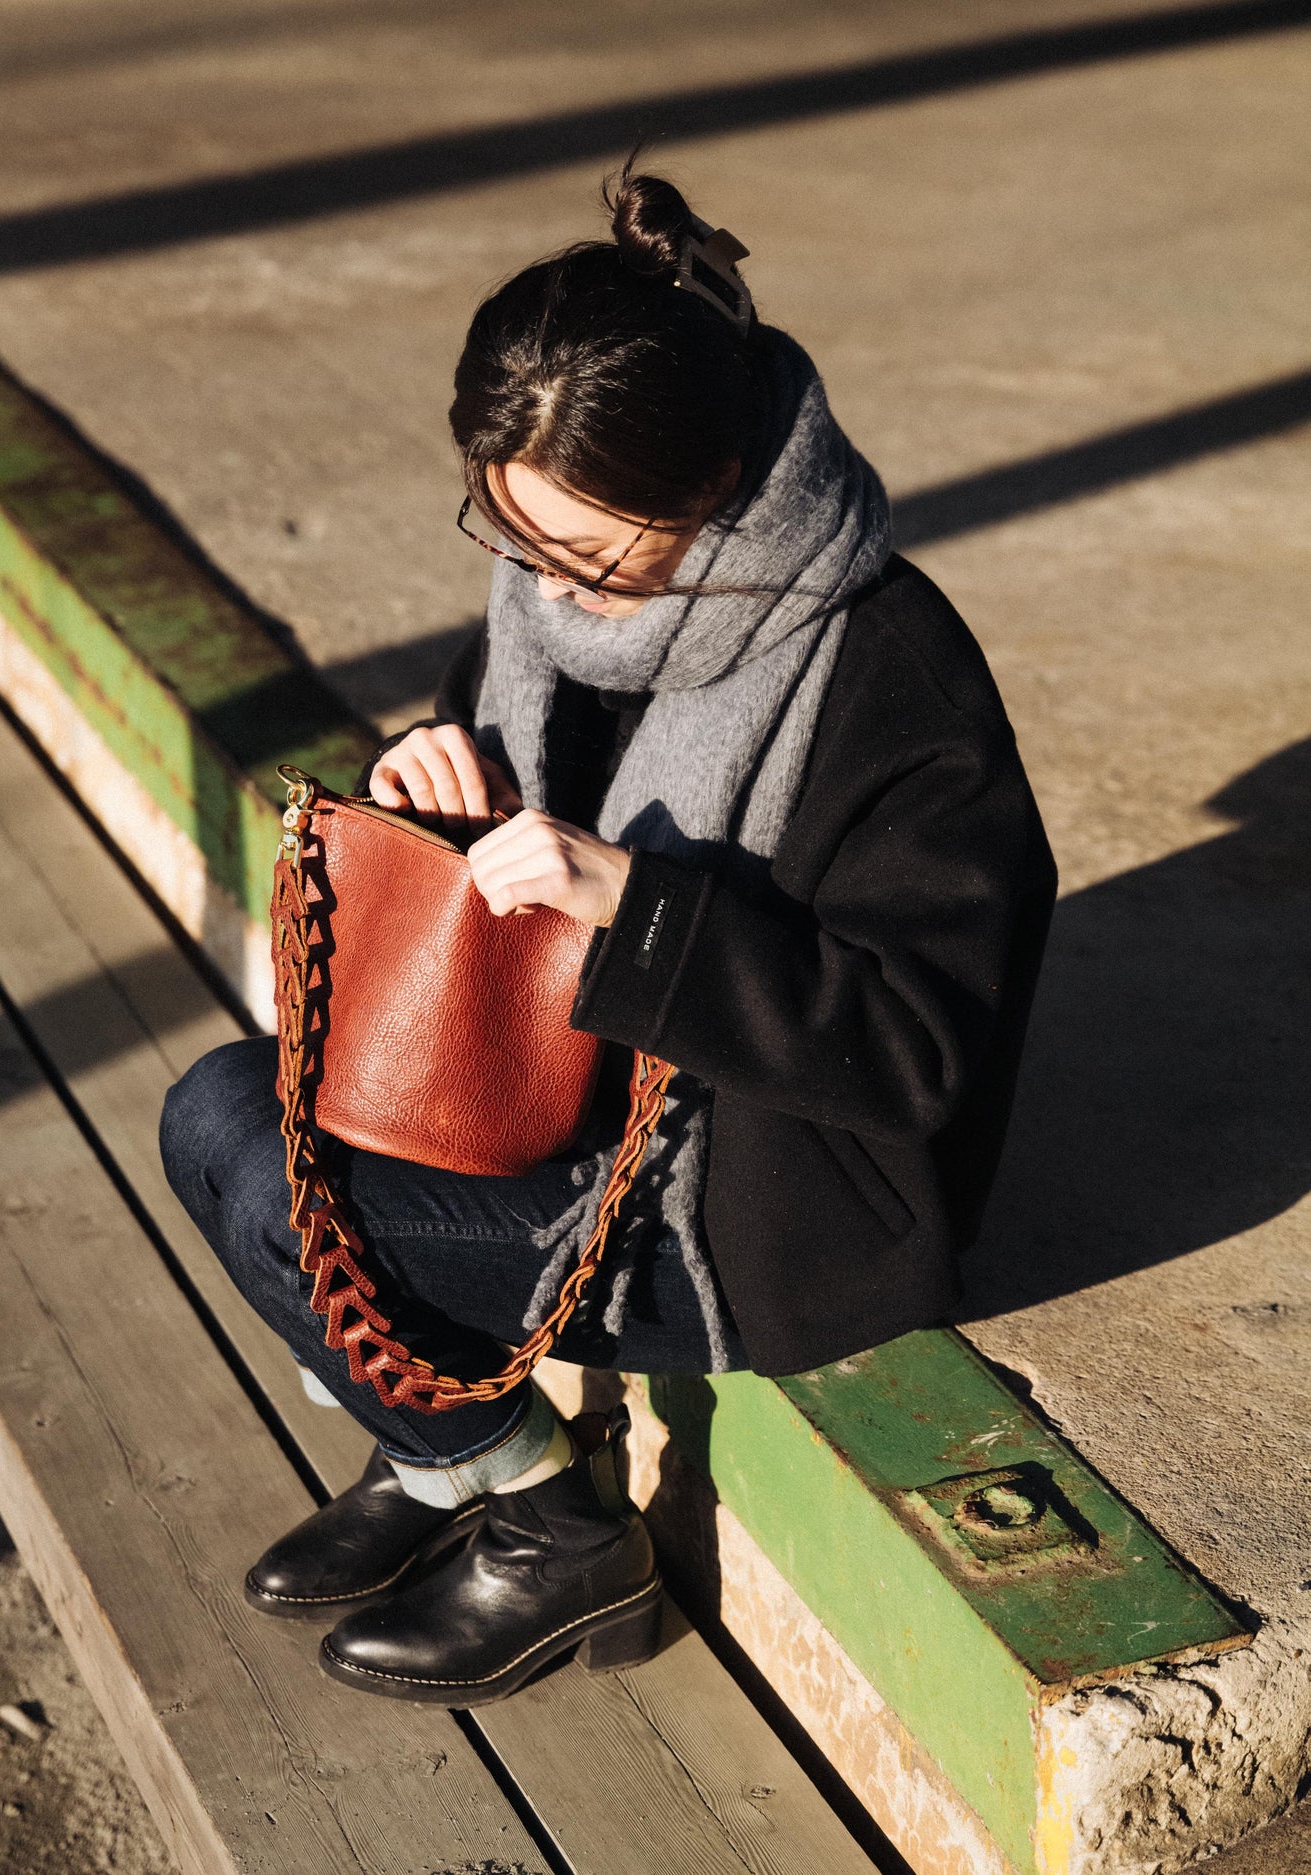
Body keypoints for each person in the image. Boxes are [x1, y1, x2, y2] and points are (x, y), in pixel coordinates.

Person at [158, 161, 1057, 1708]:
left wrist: (636, 912)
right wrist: (435, 798)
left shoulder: (888, 671)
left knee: (261, 1179)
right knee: (222, 1116)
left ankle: (558, 1530)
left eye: (594, 555)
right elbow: (511, 823)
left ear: (718, 487)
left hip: (749, 1208)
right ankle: (455, 1457)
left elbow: (923, 1051)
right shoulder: (544, 602)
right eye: (512, 536)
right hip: (532, 1103)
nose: (551, 586)